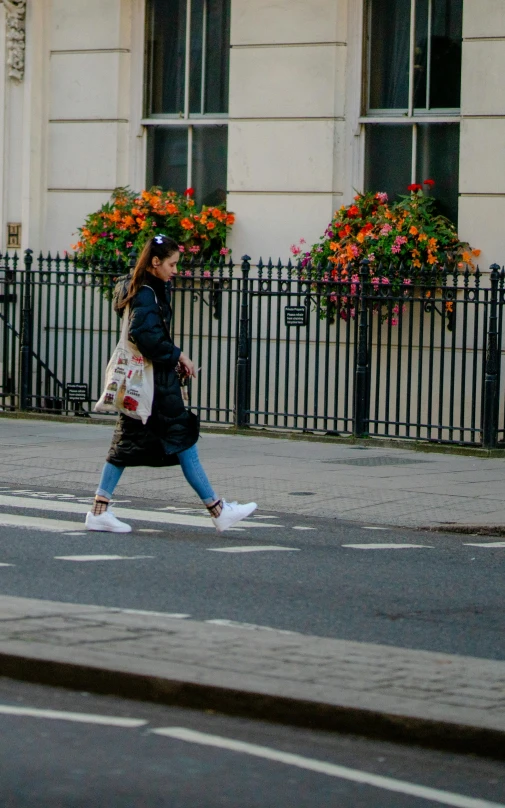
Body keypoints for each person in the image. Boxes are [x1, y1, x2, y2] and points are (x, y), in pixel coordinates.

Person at [85, 234, 257, 534]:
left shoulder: (142, 287)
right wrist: (178, 355)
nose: (176, 269)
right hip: (153, 382)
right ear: (155, 262)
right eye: (172, 264)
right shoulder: (147, 293)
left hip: (147, 383)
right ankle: (217, 510)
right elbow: (144, 334)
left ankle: (99, 510)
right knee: (182, 437)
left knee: (126, 445)